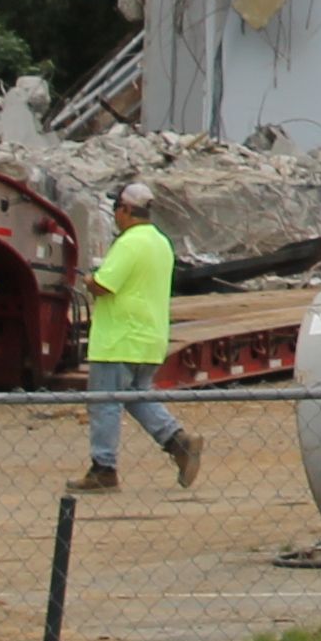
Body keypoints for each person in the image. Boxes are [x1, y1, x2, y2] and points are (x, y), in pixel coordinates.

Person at [78, 179, 201, 492]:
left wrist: (89, 280)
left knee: (104, 402)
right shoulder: (160, 242)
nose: (115, 216)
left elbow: (106, 284)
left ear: (125, 210)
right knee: (136, 396)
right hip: (149, 338)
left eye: (116, 209)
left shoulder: (129, 243)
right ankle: (177, 441)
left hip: (118, 339)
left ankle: (103, 468)